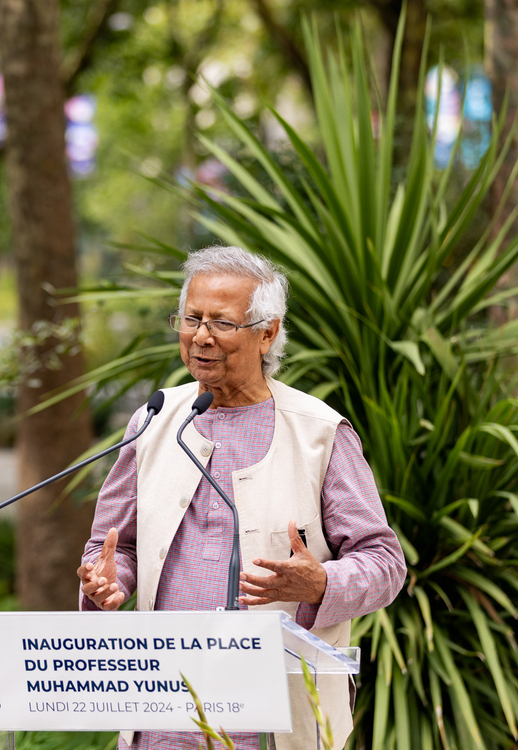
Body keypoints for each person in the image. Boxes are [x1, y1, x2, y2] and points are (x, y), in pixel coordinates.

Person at [77, 246, 407, 750]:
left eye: (222, 323)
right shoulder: (155, 419)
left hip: (273, 724)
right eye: (191, 319)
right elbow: (114, 547)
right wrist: (107, 584)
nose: (201, 336)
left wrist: (321, 583)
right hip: (161, 717)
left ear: (267, 332)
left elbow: (385, 564)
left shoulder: (319, 433)